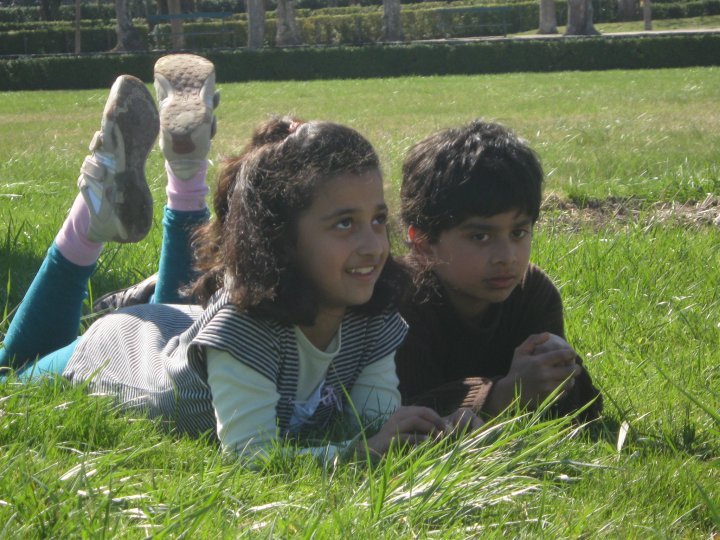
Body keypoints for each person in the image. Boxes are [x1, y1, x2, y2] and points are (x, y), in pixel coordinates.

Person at [0, 54, 467, 462]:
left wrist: (435, 432)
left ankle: (180, 176)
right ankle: (102, 200)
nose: (373, 245)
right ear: (281, 239)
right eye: (345, 223)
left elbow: (371, 425)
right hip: (119, 353)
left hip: (182, 326)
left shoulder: (371, 314)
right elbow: (254, 456)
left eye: (378, 219)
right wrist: (357, 455)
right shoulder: (244, 332)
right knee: (11, 376)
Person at [394, 120, 603, 421]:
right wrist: (502, 395)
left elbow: (580, 415)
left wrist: (561, 373)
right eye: (480, 236)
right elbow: (402, 407)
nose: (506, 257)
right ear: (423, 243)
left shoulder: (532, 292)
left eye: (518, 233)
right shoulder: (399, 303)